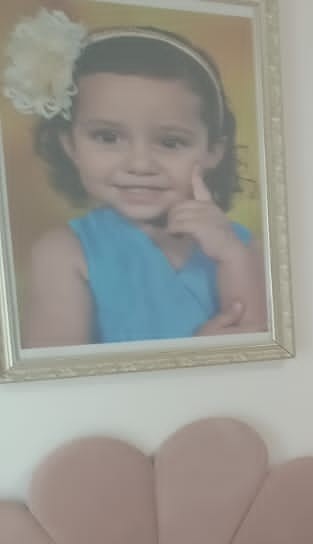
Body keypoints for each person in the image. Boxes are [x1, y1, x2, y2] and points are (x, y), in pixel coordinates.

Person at [4, 9, 266, 348]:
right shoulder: (63, 255)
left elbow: (259, 345)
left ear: (213, 151)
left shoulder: (243, 246)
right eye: (108, 137)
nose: (140, 164)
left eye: (170, 142)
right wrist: (189, 359)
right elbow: (58, 377)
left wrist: (232, 256)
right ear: (70, 145)